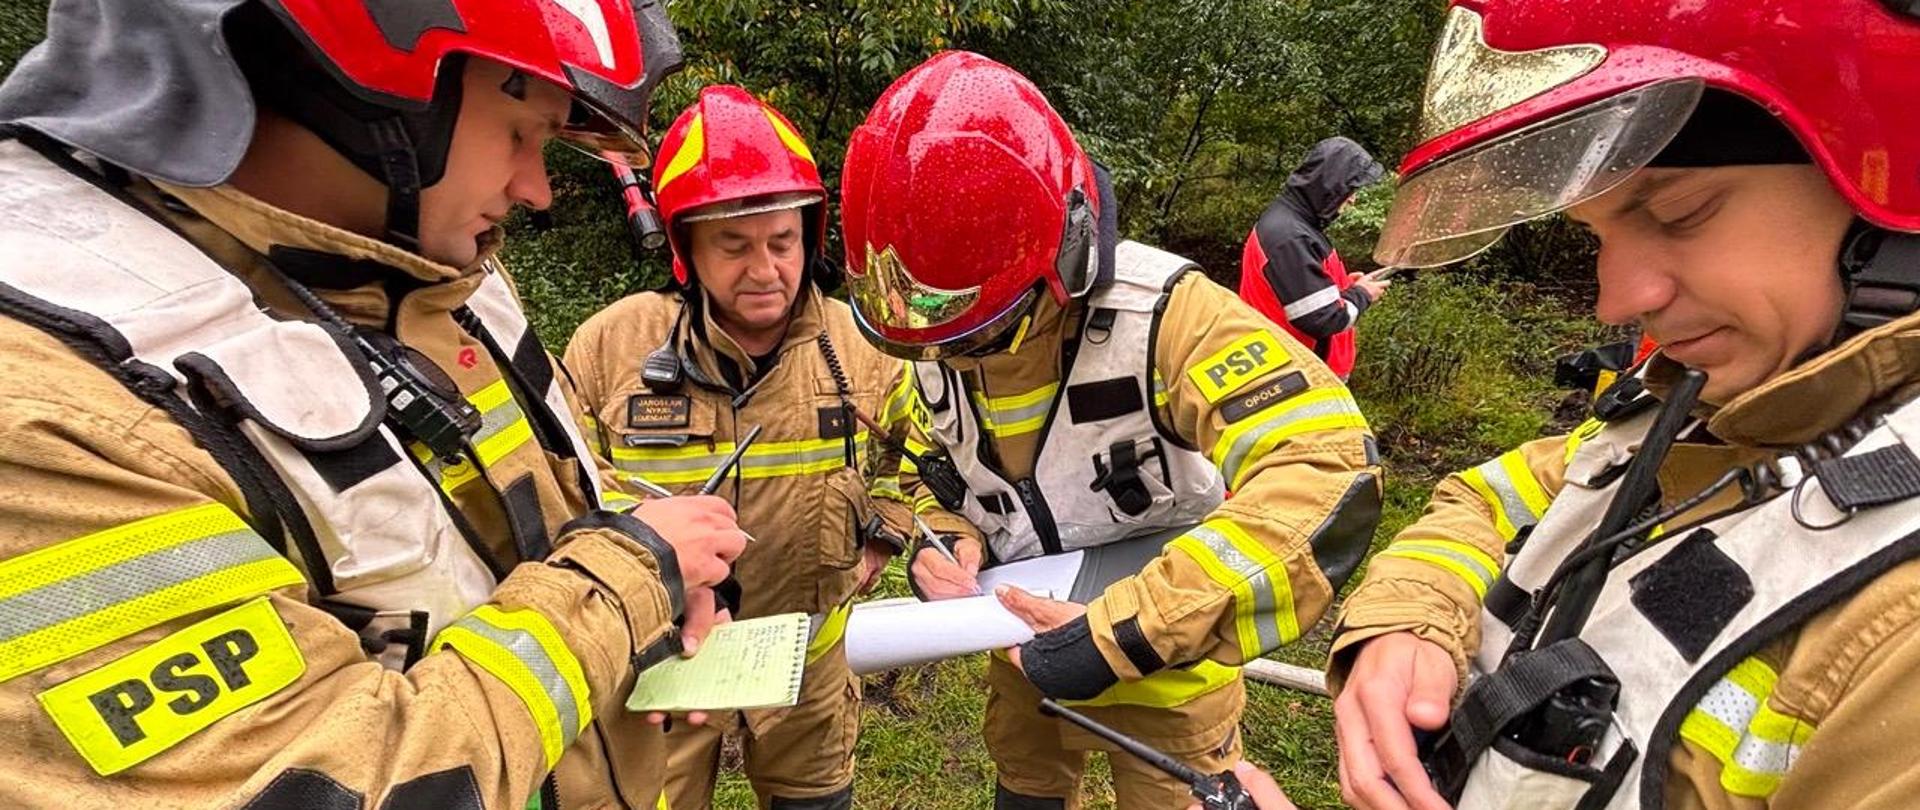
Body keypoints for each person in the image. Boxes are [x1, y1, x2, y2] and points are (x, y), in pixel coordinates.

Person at [0, 1, 749, 807]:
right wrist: (628, 572)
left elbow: (520, 499)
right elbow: (342, 782)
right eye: (519, 131)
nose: (537, 190)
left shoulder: (419, 276)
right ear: (372, 89)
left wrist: (655, 560)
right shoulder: (55, 407)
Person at [1321, 1, 1920, 809]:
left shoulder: (1899, 625)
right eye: (1598, 234)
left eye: (1681, 212)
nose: (1618, 297)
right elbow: (1485, 500)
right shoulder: (1699, 419)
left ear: (1886, 191)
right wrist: (1411, 621)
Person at [838, 51, 1385, 809]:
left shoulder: (1170, 317)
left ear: (1065, 255)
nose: (948, 356)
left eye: (979, 336)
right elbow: (930, 458)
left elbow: (1329, 469)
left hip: (1169, 678)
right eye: (928, 342)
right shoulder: (936, 324)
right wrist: (943, 533)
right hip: (1021, 661)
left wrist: (1131, 628)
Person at [564, 85, 916, 810]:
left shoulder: (865, 346)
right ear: (683, 245)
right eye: (734, 245)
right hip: (660, 673)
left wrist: (885, 526)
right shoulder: (611, 347)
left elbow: (922, 454)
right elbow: (563, 485)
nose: (764, 270)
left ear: (810, 236)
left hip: (805, 673)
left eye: (782, 242)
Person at [1237, 136, 1389, 380]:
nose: (1353, 199)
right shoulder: (1290, 236)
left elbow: (1299, 293)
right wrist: (1362, 295)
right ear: (1330, 184)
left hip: (1297, 369)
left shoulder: (1294, 224)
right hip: (1299, 377)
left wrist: (1345, 288)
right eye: (1350, 189)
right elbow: (1322, 318)